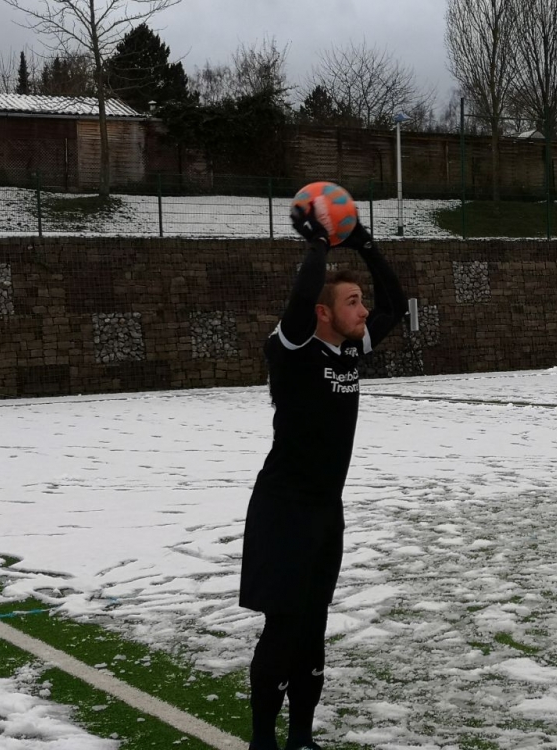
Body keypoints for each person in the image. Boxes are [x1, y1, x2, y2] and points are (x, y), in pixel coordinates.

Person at [239, 202, 407, 750]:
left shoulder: (349, 352)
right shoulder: (293, 349)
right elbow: (297, 304)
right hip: (283, 510)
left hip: (324, 512)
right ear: (323, 313)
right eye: (351, 302)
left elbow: (395, 304)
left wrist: (365, 245)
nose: (363, 309)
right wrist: (318, 246)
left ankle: (301, 739)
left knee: (313, 627)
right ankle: (263, 741)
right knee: (284, 627)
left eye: (361, 300)